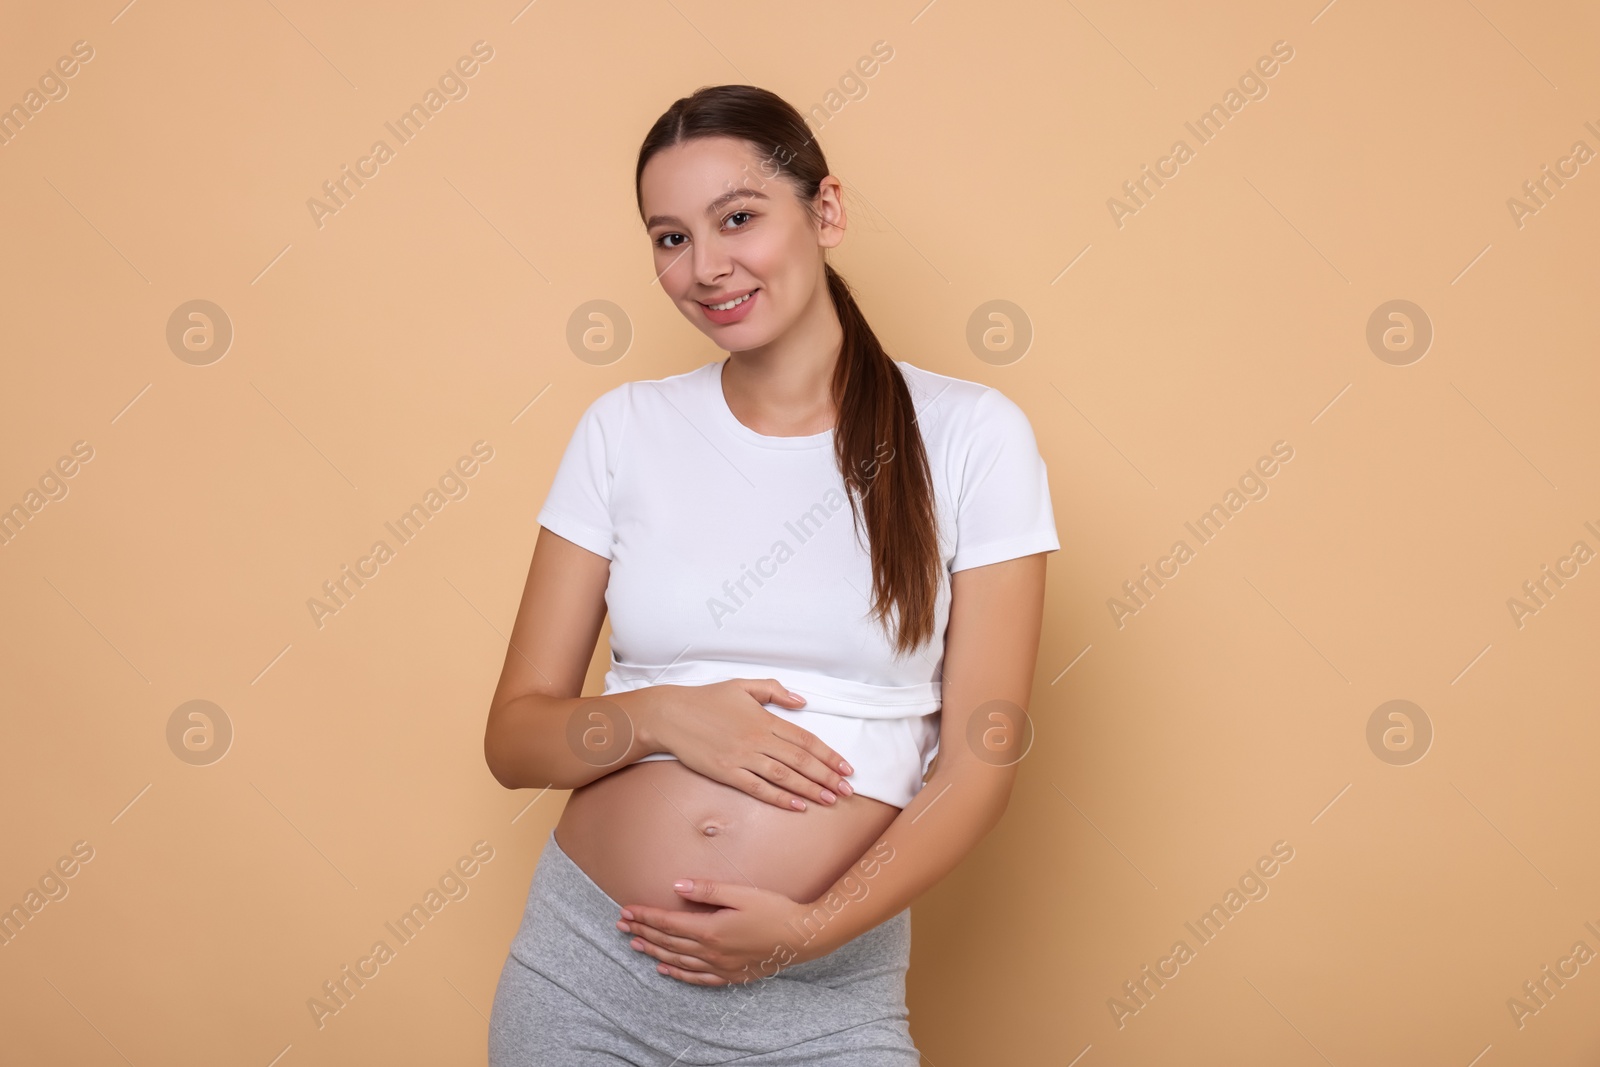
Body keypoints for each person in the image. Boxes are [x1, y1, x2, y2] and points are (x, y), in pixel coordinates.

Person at [483, 83, 1059, 1066]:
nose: (706, 267)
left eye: (737, 218)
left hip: (821, 999)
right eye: (669, 238)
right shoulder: (624, 429)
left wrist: (810, 928)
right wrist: (658, 714)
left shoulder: (971, 435)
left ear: (823, 210)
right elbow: (514, 736)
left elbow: (979, 762)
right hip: (585, 977)